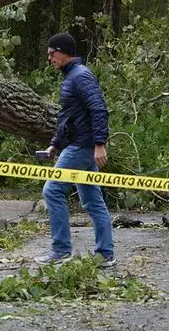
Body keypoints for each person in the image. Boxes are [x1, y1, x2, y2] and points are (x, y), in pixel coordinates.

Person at [37, 32, 115, 267]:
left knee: (52, 191)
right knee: (93, 201)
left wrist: (99, 144)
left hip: (82, 147)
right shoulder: (71, 76)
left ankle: (61, 251)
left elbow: (99, 109)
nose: (50, 58)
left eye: (52, 54)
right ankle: (105, 254)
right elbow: (68, 117)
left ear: (63, 51)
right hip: (79, 145)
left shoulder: (80, 77)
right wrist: (55, 144)